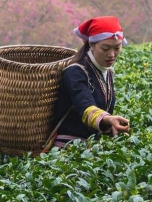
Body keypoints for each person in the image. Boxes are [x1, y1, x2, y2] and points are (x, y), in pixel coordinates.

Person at [46, 16, 132, 150]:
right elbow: (85, 106)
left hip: (90, 148)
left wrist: (109, 126)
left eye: (117, 48)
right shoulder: (74, 72)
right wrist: (108, 119)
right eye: (105, 48)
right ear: (91, 45)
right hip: (66, 150)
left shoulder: (107, 72)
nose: (112, 54)